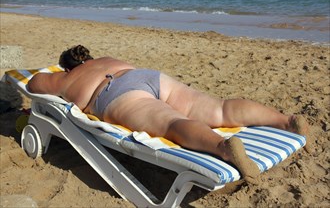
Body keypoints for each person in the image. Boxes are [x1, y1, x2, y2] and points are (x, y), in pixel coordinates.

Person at [27, 45, 310, 183]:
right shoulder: (107, 59)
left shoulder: (67, 79)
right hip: (146, 77)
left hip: (113, 94)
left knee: (173, 123)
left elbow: (34, 83)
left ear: (67, 67)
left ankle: (222, 147)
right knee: (219, 108)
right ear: (88, 57)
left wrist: (61, 79)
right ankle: (285, 120)